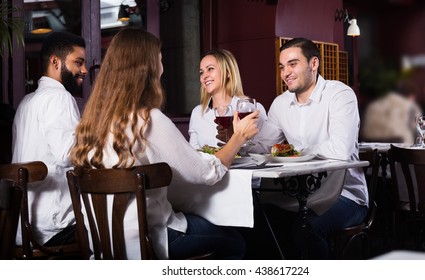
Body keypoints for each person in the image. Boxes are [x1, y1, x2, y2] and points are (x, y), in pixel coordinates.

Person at [69, 28, 260, 260]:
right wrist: (238, 137)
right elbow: (205, 174)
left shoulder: (93, 122)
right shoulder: (149, 119)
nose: (163, 65)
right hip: (150, 239)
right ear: (147, 67)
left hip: (103, 241)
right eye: (160, 58)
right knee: (235, 241)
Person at [250, 38, 368, 259]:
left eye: (293, 64)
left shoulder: (339, 95)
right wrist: (239, 138)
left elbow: (341, 150)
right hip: (299, 193)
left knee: (306, 227)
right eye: (282, 66)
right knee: (256, 216)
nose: (286, 73)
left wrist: (295, 151)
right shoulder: (280, 103)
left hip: (346, 195)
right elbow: (262, 147)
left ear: (313, 64)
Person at [11, 31, 87, 246]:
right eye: (78, 62)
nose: (84, 70)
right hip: (56, 227)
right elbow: (69, 155)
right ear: (56, 61)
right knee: (123, 224)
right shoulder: (59, 97)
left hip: (22, 227)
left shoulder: (27, 101)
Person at [189, 49, 267, 150]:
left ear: (228, 73)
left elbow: (265, 149)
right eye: (201, 72)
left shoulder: (251, 109)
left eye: (210, 69)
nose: (204, 76)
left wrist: (235, 141)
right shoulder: (197, 113)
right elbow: (193, 153)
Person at [361, 78, 422, 145]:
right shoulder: (411, 107)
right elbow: (421, 133)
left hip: (372, 149)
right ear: (411, 96)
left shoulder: (372, 106)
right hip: (402, 150)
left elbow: (366, 132)